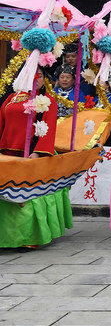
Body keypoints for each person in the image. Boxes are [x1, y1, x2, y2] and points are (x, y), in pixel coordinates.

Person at [0, 69, 72, 249]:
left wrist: (39, 152)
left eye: (39, 75)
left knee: (26, 197)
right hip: (7, 154)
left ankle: (27, 237)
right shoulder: (12, 98)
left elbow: (49, 130)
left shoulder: (48, 101)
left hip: (33, 153)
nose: (35, 78)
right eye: (31, 74)